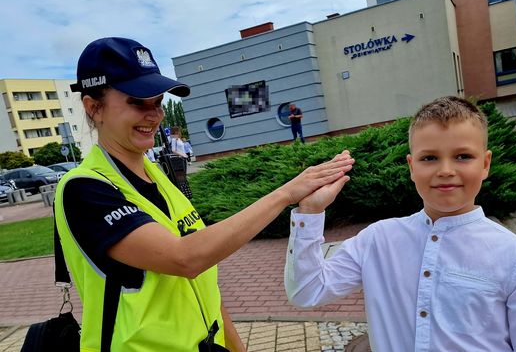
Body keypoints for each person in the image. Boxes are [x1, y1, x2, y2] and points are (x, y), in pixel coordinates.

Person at [55, 36, 354, 352]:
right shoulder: (85, 189)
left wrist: (235, 346)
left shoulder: (159, 176)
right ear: (94, 107)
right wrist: (286, 193)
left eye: (157, 102)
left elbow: (203, 278)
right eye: (137, 102)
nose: (154, 115)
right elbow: (185, 258)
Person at [284, 96, 516, 351]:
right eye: (429, 158)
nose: (446, 170)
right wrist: (311, 211)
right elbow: (307, 291)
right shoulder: (377, 240)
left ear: (485, 164)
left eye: (462, 156)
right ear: (411, 166)